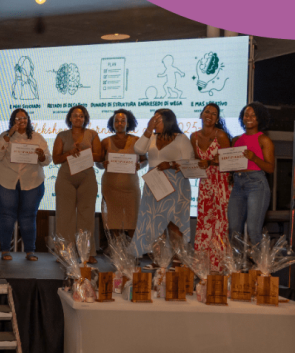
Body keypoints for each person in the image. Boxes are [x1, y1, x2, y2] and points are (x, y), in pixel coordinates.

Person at [129, 109, 194, 258]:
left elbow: (189, 162)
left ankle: (178, 259)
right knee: (155, 223)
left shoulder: (181, 138)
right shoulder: (151, 137)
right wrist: (148, 129)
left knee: (174, 223)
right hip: (154, 184)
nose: (154, 123)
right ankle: (159, 260)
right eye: (153, 119)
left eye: (157, 120)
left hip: (176, 185)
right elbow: (138, 149)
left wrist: (170, 164)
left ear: (168, 121)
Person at [0, 108, 51, 260]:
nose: (21, 121)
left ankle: (30, 251)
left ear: (28, 120)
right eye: (18, 119)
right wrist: (8, 135)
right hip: (5, 180)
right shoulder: (5, 136)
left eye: (24, 118)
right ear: (13, 121)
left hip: (32, 182)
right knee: (6, 216)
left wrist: (41, 156)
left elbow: (47, 160)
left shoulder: (37, 137)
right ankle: (5, 250)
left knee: (28, 216)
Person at [52, 105, 103, 263]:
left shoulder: (92, 134)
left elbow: (100, 156)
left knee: (87, 216)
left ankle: (87, 252)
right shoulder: (62, 135)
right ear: (70, 118)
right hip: (66, 178)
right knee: (64, 216)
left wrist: (85, 153)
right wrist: (69, 153)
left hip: (87, 178)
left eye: (81, 116)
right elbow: (56, 159)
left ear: (85, 118)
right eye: (75, 116)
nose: (78, 118)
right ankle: (65, 252)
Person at [191, 103, 232, 270]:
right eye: (207, 111)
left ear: (217, 118)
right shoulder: (193, 136)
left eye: (214, 114)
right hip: (205, 183)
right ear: (201, 114)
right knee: (204, 222)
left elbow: (229, 160)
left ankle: (219, 266)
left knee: (220, 224)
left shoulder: (221, 135)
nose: (209, 115)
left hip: (221, 183)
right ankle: (203, 265)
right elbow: (196, 160)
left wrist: (211, 162)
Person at [227, 102, 274, 244]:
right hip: (237, 185)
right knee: (234, 230)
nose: (249, 118)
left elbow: (270, 168)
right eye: (246, 115)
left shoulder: (264, 140)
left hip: (257, 184)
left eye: (254, 115)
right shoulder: (236, 140)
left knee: (253, 230)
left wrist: (254, 158)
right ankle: (237, 259)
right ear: (242, 117)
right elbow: (232, 164)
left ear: (260, 118)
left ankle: (259, 259)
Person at [99, 109, 146, 236]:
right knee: (114, 223)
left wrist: (140, 165)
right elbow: (98, 163)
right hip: (110, 188)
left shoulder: (137, 140)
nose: (119, 123)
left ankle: (132, 248)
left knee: (133, 222)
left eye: (123, 121)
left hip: (131, 189)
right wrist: (102, 164)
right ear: (112, 123)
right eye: (116, 121)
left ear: (128, 123)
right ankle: (117, 248)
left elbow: (145, 160)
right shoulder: (105, 142)